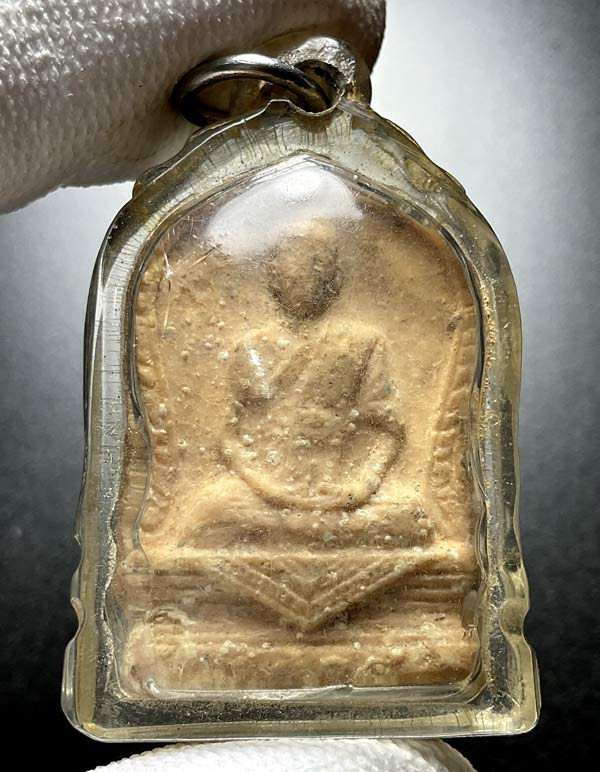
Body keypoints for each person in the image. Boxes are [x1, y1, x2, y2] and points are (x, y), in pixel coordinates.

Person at [0, 1, 474, 769]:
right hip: (264, 487)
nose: (303, 279)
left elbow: (387, 427)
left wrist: (353, 485)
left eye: (318, 268)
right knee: (201, 519)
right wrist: (268, 481)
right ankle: (191, 632)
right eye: (289, 268)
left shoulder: (361, 343)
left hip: (349, 486)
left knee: (419, 524)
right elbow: (234, 436)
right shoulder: (252, 344)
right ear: (277, 278)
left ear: (332, 276)